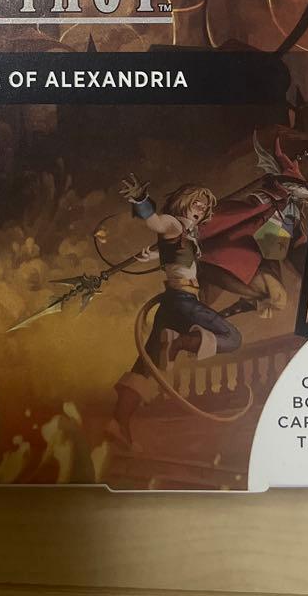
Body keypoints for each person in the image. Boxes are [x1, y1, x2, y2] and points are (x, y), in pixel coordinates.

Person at [107, 175, 241, 447]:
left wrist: (156, 254)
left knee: (147, 366)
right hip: (183, 302)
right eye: (197, 203)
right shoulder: (173, 223)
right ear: (183, 202)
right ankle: (180, 342)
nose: (201, 208)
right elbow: (156, 223)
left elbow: (173, 250)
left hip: (171, 304)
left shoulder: (184, 234)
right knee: (233, 338)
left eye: (204, 206)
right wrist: (141, 200)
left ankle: (117, 422)